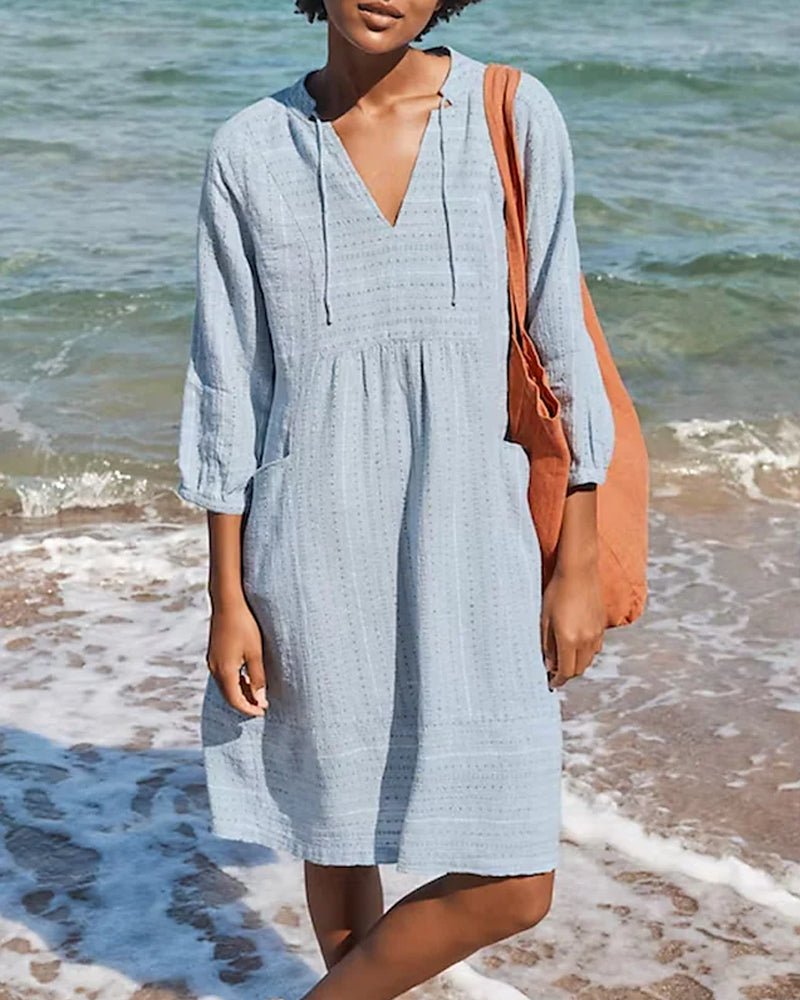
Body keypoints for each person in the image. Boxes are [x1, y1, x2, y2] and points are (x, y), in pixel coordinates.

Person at [176, 1, 615, 996]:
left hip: (478, 541)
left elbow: (559, 346)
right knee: (335, 822)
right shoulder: (248, 149)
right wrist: (227, 597)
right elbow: (226, 384)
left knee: (515, 881)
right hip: (308, 547)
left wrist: (576, 559)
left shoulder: (510, 113)